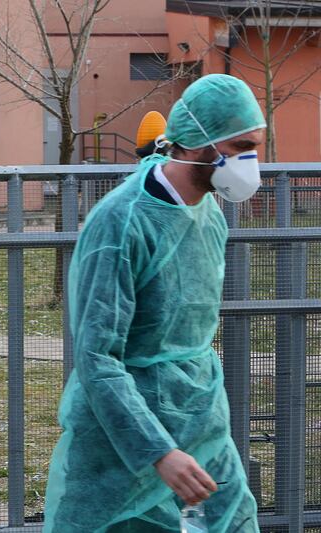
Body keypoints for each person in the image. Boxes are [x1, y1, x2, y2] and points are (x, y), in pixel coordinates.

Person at [43, 73, 265, 532]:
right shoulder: (121, 223)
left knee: (235, 520)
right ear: (198, 142)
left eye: (256, 147)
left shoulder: (209, 213)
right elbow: (97, 356)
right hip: (121, 446)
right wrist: (156, 451)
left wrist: (193, 423)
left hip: (200, 420)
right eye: (240, 145)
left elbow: (193, 333)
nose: (249, 160)